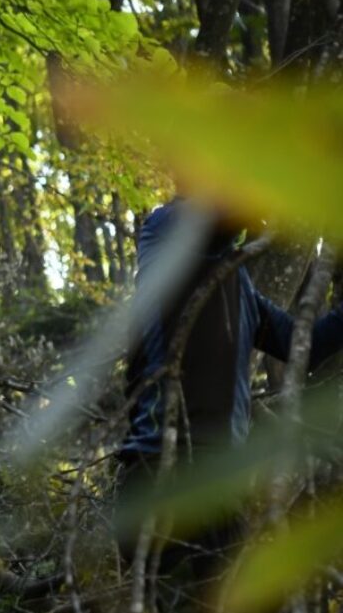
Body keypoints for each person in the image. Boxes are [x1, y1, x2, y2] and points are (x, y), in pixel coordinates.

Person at [115, 197, 343, 609]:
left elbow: (302, 344)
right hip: (159, 472)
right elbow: (221, 215)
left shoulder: (241, 288)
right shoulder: (161, 232)